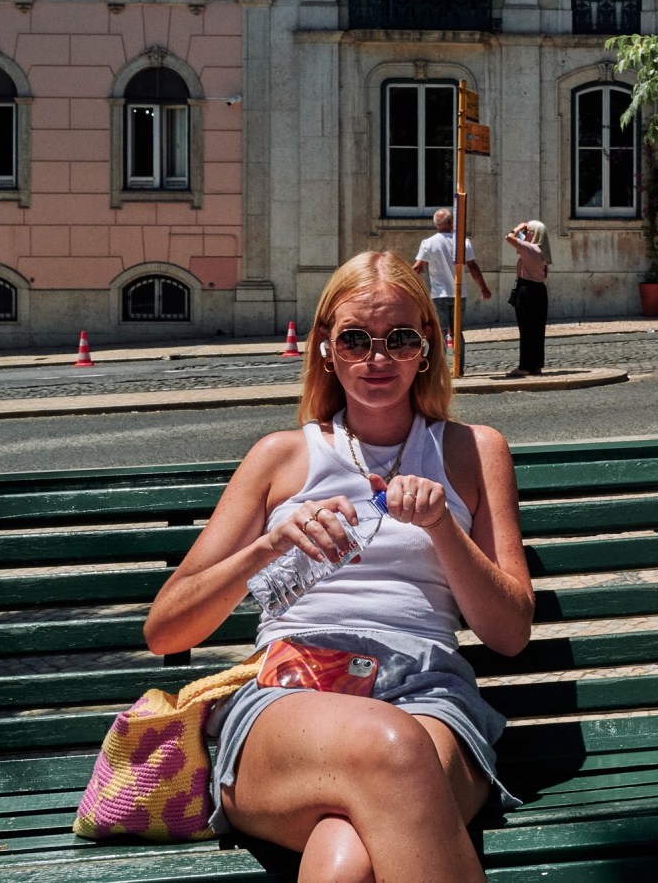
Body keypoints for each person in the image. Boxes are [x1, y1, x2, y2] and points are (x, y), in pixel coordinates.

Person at [143, 251, 534, 882]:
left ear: (427, 346)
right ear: (326, 347)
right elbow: (165, 630)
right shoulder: (280, 457)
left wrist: (442, 528)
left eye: (399, 338)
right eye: (355, 338)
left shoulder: (474, 450)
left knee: (344, 860)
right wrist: (267, 549)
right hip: (292, 697)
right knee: (391, 745)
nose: (377, 358)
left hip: (427, 695)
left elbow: (510, 633)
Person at [413, 208, 492, 367]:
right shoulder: (463, 242)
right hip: (459, 294)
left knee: (439, 334)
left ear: (436, 225)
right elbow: (473, 267)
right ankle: (459, 367)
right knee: (457, 333)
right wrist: (483, 288)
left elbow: (417, 269)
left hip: (438, 295)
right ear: (451, 223)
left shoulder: (428, 243)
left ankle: (439, 369)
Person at [505, 220, 551, 376]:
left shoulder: (530, 249)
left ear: (534, 234)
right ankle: (536, 365)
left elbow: (509, 238)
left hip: (527, 290)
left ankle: (525, 366)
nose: (525, 234)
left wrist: (518, 228)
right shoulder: (542, 251)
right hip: (539, 290)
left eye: (528, 231)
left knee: (526, 330)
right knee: (537, 330)